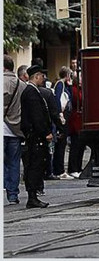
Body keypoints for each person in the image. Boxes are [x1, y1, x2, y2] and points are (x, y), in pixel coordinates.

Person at [20, 64, 53, 208]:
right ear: (37, 76)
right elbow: (37, 116)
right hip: (35, 136)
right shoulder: (31, 93)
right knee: (34, 165)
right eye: (42, 76)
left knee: (36, 165)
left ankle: (33, 196)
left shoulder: (32, 91)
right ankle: (32, 197)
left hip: (34, 134)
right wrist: (45, 132)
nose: (43, 79)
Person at [4, 55, 26, 204]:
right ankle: (13, 194)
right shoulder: (22, 84)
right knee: (14, 163)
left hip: (3, 127)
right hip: (16, 129)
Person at [52, 67, 73, 179]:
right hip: (62, 117)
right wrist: (60, 114)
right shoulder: (60, 85)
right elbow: (59, 99)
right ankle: (59, 170)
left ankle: (58, 169)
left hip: (63, 116)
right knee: (61, 144)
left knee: (62, 143)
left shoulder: (62, 84)